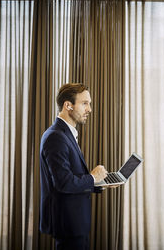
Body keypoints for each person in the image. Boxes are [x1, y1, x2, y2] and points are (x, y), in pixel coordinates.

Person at [39, 83, 108, 250]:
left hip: (74, 221)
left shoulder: (65, 133)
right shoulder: (56, 136)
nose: (89, 109)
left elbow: (71, 176)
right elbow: (63, 182)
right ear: (68, 105)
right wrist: (92, 177)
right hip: (68, 223)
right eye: (84, 103)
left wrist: (98, 183)